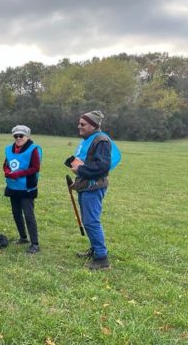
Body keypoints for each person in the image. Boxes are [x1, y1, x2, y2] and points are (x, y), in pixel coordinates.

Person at [66, 110, 120, 270]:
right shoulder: (90, 139)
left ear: (94, 125)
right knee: (88, 221)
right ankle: (95, 250)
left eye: (83, 124)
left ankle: (102, 259)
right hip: (86, 186)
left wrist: (80, 170)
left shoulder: (101, 140)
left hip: (94, 187)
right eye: (79, 123)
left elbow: (102, 166)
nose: (79, 127)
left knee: (91, 222)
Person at [3, 125, 42, 254]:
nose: (18, 138)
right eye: (16, 136)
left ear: (27, 136)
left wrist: (18, 173)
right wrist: (7, 171)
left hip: (27, 187)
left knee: (28, 215)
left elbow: (35, 168)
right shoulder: (9, 149)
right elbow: (6, 163)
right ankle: (23, 237)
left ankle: (35, 243)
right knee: (16, 213)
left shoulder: (33, 149)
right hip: (13, 187)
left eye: (21, 136)